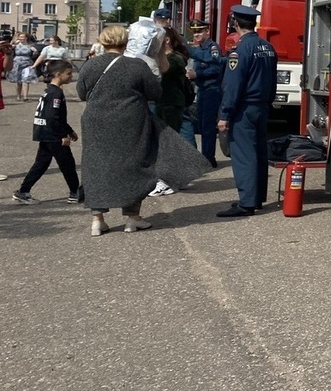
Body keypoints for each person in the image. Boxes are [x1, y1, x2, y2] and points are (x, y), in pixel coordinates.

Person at [76, 25, 211, 236]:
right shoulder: (136, 66)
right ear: (126, 42)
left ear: (102, 42)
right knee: (135, 165)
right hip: (131, 120)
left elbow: (82, 93)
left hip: (96, 122)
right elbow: (155, 92)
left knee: (96, 165)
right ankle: (132, 218)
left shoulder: (90, 65)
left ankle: (97, 219)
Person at [216, 5, 277, 217]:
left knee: (244, 155)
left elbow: (233, 84)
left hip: (244, 108)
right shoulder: (267, 47)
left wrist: (225, 114)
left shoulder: (240, 50)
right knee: (259, 152)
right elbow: (273, 80)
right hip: (261, 106)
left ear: (235, 23)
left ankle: (247, 202)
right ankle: (257, 197)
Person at [12, 60, 81, 205]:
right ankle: (75, 193)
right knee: (67, 163)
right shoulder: (56, 94)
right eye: (68, 74)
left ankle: (23, 191)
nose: (71, 77)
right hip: (52, 135)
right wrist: (63, 135)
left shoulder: (49, 91)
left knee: (41, 163)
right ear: (58, 74)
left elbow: (57, 117)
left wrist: (70, 130)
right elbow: (53, 117)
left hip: (45, 132)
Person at [147, 26, 190, 197]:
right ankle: (172, 178)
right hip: (162, 103)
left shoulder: (177, 58)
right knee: (162, 142)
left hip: (171, 104)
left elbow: (164, 68)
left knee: (168, 143)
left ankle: (167, 181)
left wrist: (157, 52)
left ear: (166, 40)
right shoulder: (164, 56)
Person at [186, 19, 224, 167]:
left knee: (208, 126)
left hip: (212, 90)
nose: (196, 35)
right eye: (194, 32)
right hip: (202, 90)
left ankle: (209, 159)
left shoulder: (212, 48)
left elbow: (216, 68)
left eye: (200, 31)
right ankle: (206, 156)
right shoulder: (199, 48)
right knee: (201, 125)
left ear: (207, 32)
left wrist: (197, 75)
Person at [7, 32, 38, 102]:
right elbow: (9, 51)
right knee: (18, 81)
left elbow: (34, 55)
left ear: (26, 38)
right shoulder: (16, 46)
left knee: (26, 79)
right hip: (17, 64)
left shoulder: (30, 46)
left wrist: (35, 51)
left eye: (22, 37)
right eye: (20, 37)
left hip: (27, 64)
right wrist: (13, 45)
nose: (21, 38)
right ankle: (18, 95)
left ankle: (25, 96)